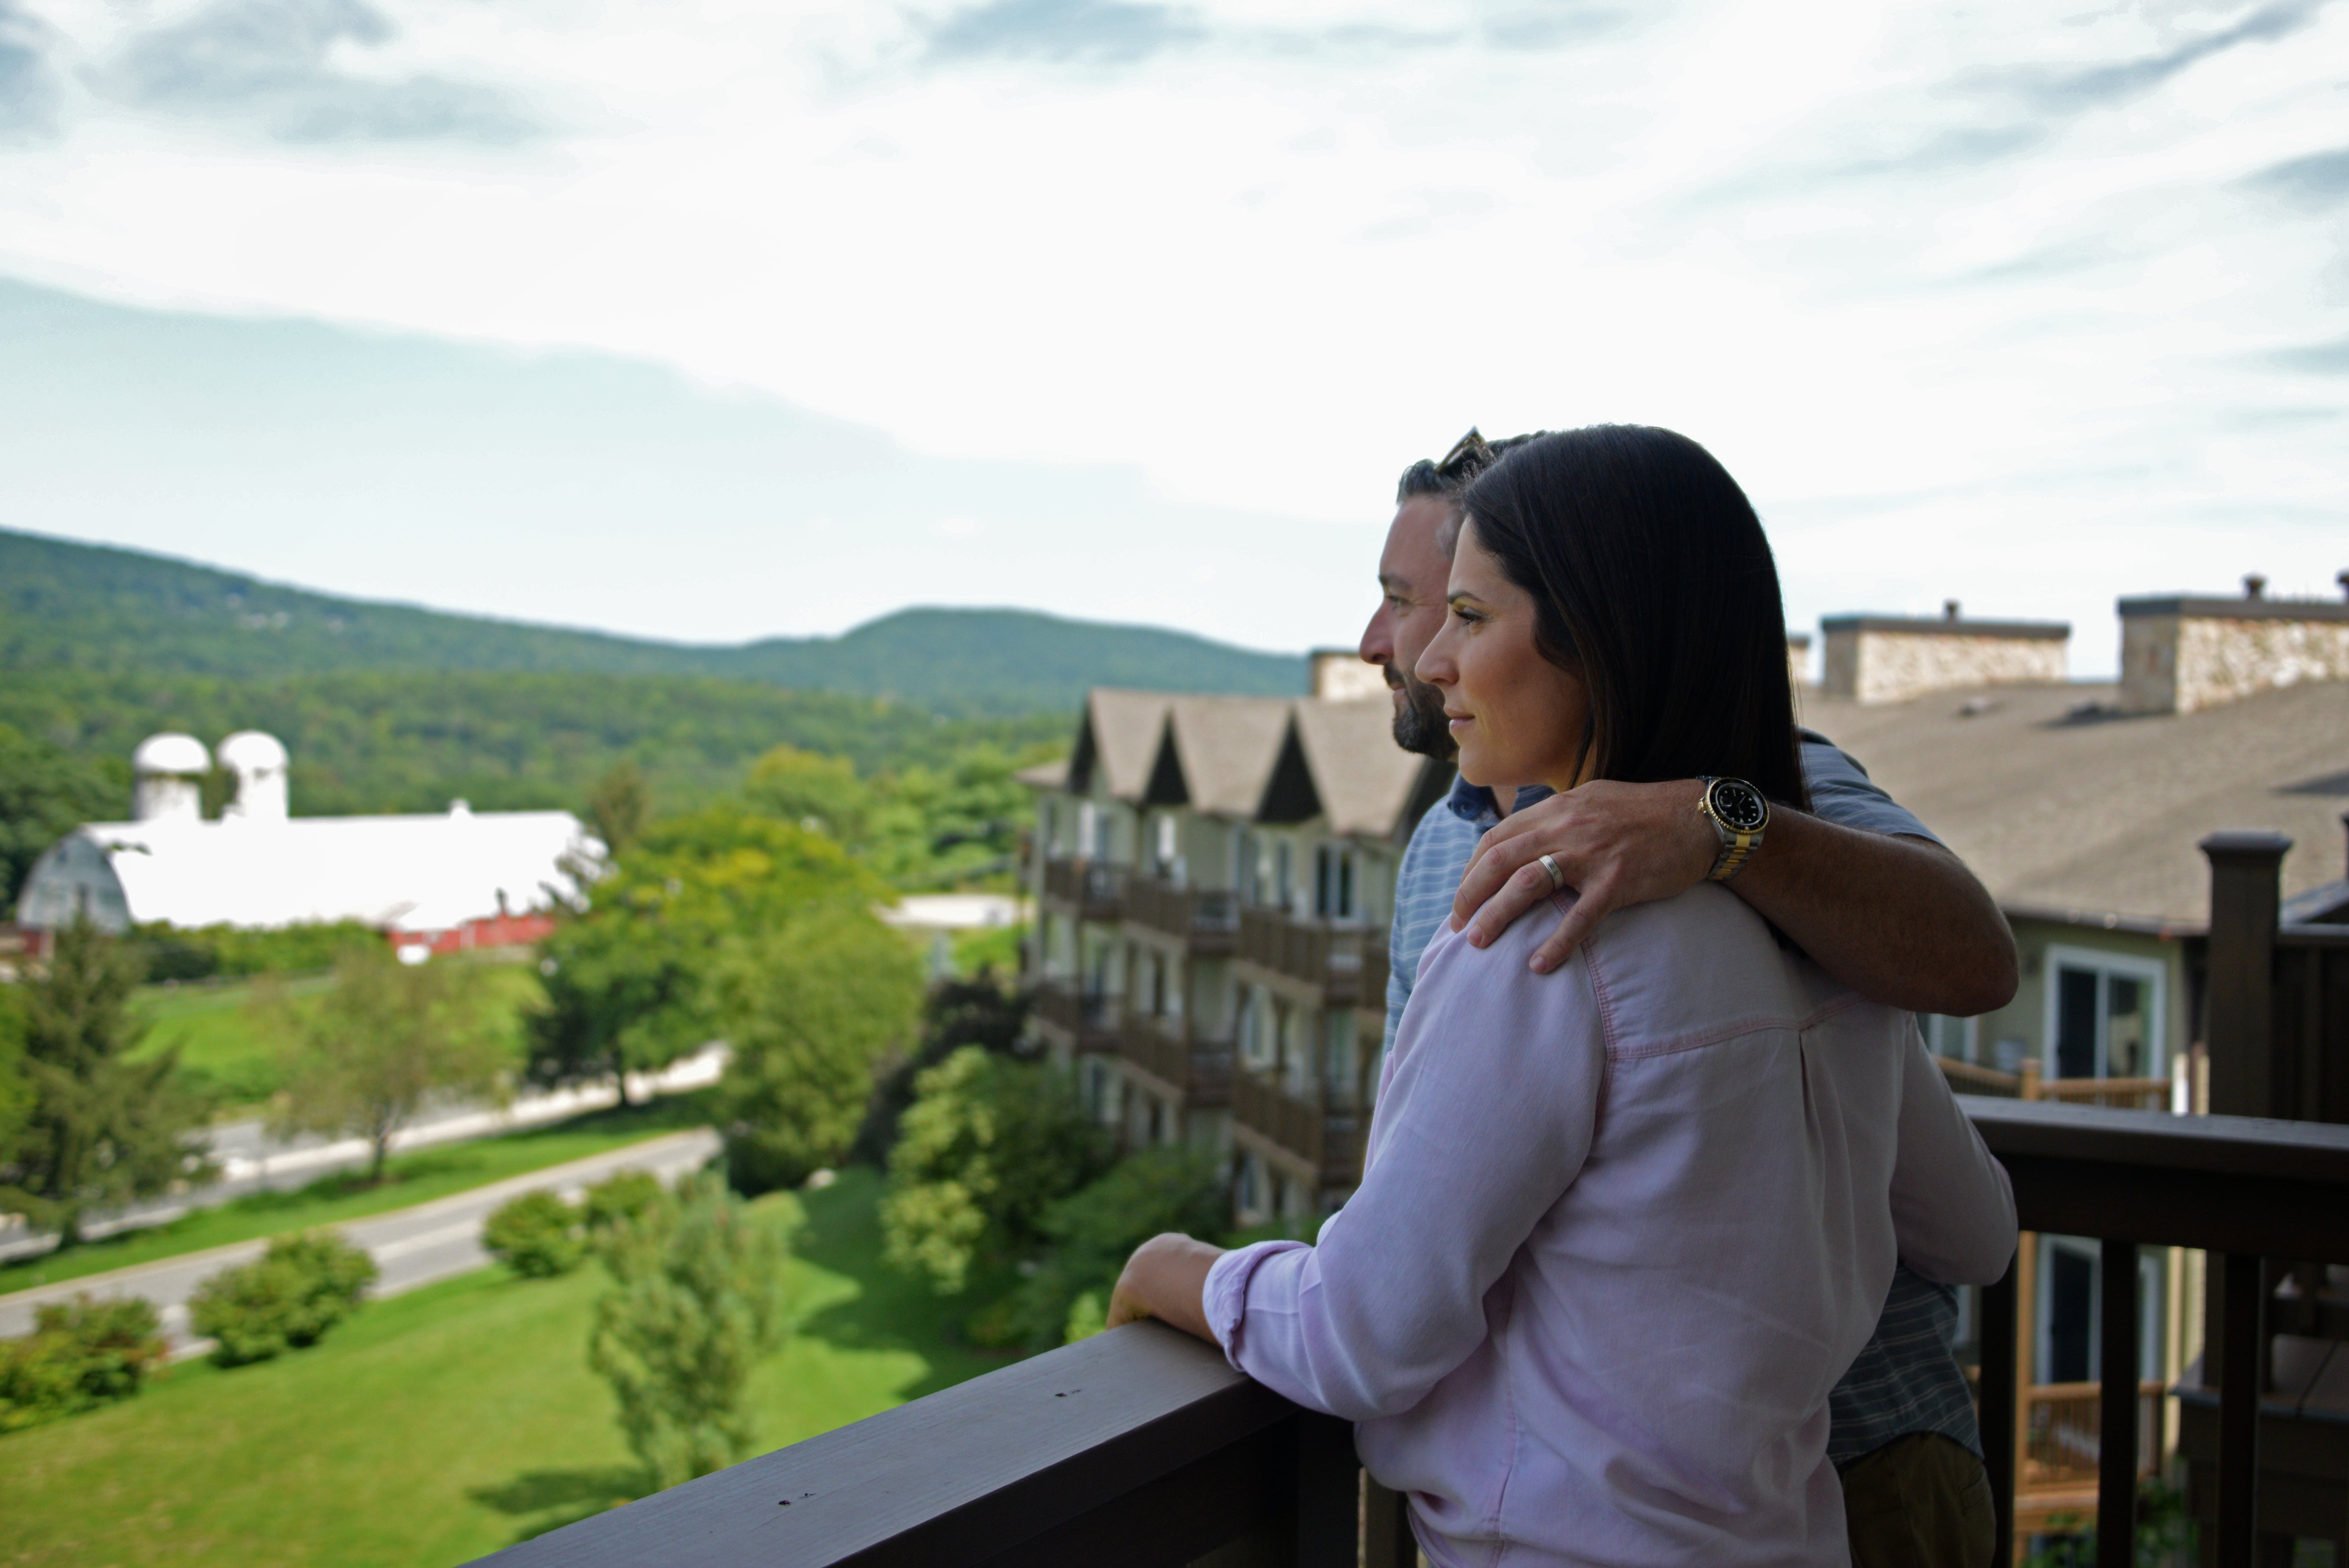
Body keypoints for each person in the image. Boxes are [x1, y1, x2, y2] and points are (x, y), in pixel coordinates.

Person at [1108, 425, 2018, 1566]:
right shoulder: (1817, 935)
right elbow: (1975, 1230)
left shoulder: (1563, 911)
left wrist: (1179, 1273)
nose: (1422, 653)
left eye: (1466, 614)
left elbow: (1364, 1330)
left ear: (1600, 638)